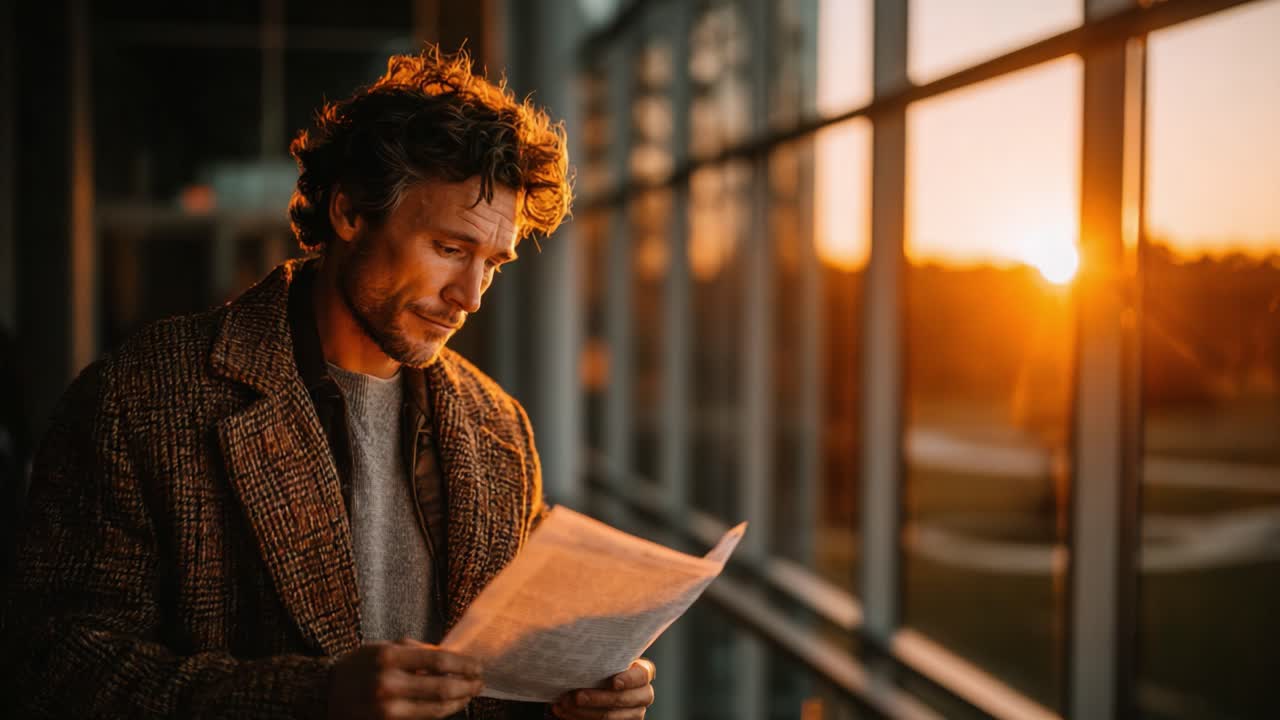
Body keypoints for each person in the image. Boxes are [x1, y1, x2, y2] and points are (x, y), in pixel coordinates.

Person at [1, 47, 656, 720]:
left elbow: (504, 683)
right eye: (450, 249)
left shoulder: (499, 428)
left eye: (494, 262)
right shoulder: (142, 398)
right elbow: (54, 669)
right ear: (349, 214)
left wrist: (581, 702)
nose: (471, 296)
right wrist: (314, 699)